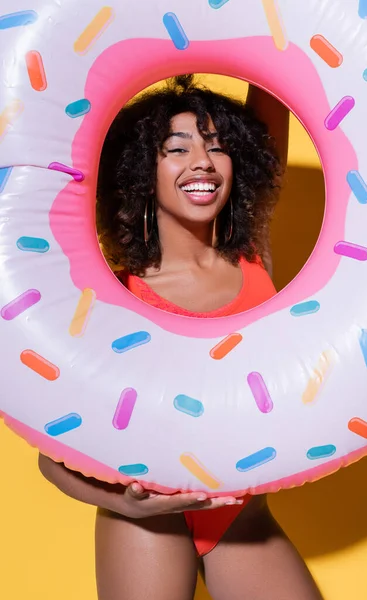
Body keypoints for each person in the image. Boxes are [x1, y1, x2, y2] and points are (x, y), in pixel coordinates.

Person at [38, 76, 323, 600]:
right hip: (148, 524)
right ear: (144, 171)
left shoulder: (252, 253)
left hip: (241, 517)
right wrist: (126, 505)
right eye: (177, 149)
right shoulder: (113, 297)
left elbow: (276, 81)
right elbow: (49, 455)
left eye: (217, 147)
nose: (203, 162)